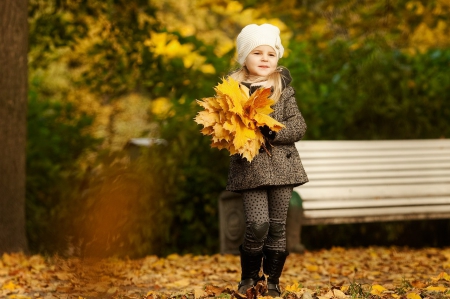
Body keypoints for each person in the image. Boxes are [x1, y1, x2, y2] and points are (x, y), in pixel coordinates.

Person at [225, 23, 309, 297]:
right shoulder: (231, 92)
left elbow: (298, 127)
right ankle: (248, 277)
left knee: (276, 226)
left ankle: (272, 280)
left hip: (283, 168)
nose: (264, 59)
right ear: (244, 57)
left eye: (270, 54)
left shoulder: (283, 90)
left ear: (277, 58)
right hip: (250, 169)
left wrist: (273, 130)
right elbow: (223, 129)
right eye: (257, 53)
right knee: (257, 224)